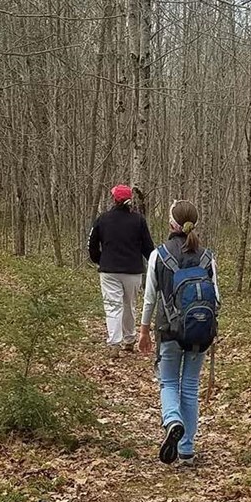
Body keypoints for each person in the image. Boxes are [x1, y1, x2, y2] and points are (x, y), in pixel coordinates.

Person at [138, 200, 218, 467]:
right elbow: (216, 299)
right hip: (199, 332)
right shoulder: (207, 257)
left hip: (169, 330)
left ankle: (172, 421)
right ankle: (186, 450)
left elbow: (150, 298)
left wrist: (144, 331)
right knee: (190, 387)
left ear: (172, 223)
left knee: (169, 383)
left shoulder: (158, 255)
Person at [88, 184, 154, 350]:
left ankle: (114, 342)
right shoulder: (138, 220)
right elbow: (148, 247)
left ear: (114, 199)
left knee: (112, 306)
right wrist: (154, 264)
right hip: (132, 270)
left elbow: (92, 244)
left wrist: (99, 260)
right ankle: (129, 338)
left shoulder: (103, 219)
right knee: (129, 305)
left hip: (109, 270)